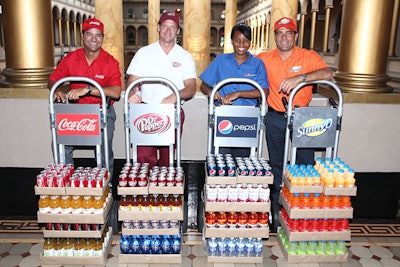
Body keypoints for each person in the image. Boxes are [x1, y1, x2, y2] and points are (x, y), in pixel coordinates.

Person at [257, 17, 333, 230]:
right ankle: (277, 208)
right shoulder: (264, 58)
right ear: (274, 37)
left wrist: (300, 78)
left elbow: (328, 73)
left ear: (296, 36)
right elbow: (245, 66)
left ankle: (302, 211)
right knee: (277, 164)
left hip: (303, 119)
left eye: (288, 32)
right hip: (275, 117)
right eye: (279, 33)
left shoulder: (307, 56)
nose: (284, 37)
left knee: (304, 165)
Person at [48, 17, 122, 178]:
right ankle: (65, 182)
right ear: (83, 36)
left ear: (102, 38)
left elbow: (116, 92)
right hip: (77, 113)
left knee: (103, 151)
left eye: (98, 35)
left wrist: (88, 89)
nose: (94, 39)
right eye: (90, 34)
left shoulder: (110, 62)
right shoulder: (70, 58)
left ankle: (105, 186)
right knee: (61, 145)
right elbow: (53, 79)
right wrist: (57, 89)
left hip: (102, 111)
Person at [126, 11, 196, 167]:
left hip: (172, 111)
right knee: (143, 159)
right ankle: (145, 190)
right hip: (145, 111)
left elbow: (191, 88)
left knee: (168, 158)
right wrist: (132, 94)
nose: (168, 30)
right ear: (158, 28)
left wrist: (174, 96)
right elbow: (131, 82)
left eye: (173, 27)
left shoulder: (185, 56)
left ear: (178, 30)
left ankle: (166, 191)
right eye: (164, 26)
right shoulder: (144, 53)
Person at [199, 23, 269, 158]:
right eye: (237, 40)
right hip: (223, 117)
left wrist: (238, 94)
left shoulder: (258, 64)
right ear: (231, 41)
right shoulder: (221, 60)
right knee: (220, 158)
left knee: (244, 161)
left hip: (248, 120)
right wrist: (211, 92)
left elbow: (264, 92)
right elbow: (204, 85)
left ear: (250, 42)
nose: (241, 44)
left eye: (245, 40)